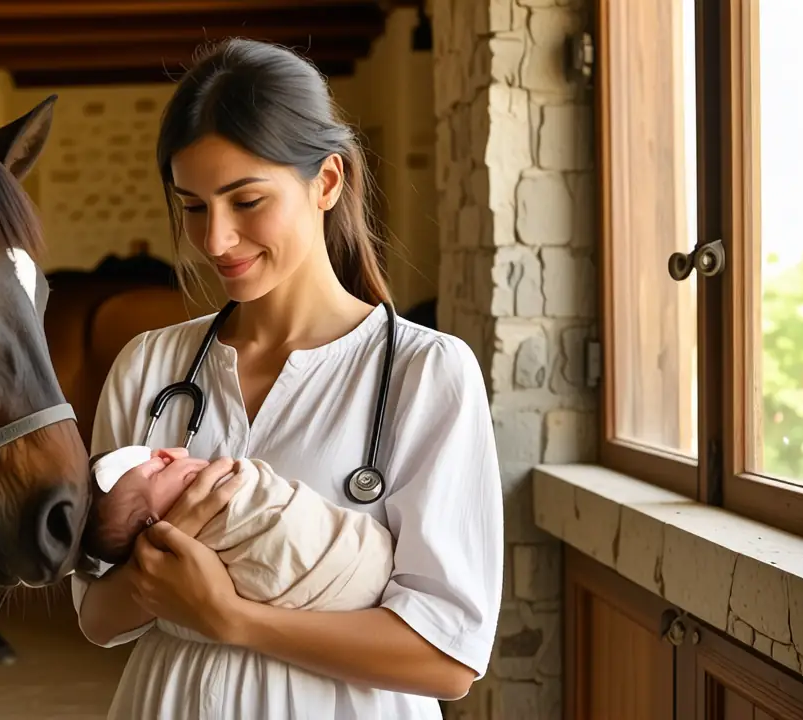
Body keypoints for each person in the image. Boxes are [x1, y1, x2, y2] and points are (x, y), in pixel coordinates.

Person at [70, 37, 503, 719]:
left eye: (246, 201)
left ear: (326, 182)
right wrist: (156, 574)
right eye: (192, 205)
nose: (214, 240)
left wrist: (228, 615)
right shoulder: (150, 367)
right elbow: (96, 616)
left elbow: (447, 659)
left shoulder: (426, 373)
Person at [82, 445, 396, 611]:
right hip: (350, 572)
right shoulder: (142, 358)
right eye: (159, 469)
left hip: (362, 571)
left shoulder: (431, 358)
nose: (173, 454)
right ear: (151, 525)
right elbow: (96, 618)